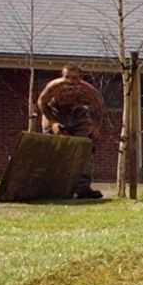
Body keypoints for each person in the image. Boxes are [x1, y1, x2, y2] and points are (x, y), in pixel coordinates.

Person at [37, 63, 107, 200]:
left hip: (77, 114)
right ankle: (50, 186)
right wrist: (53, 122)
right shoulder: (54, 86)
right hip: (54, 112)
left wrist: (95, 127)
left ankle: (83, 188)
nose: (70, 81)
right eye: (67, 77)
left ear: (80, 78)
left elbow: (99, 107)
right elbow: (41, 102)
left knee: (84, 149)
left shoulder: (88, 90)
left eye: (74, 77)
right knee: (54, 149)